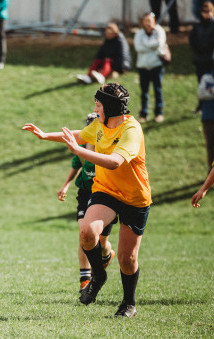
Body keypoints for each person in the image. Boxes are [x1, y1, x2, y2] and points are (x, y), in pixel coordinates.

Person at [22, 83, 152, 318]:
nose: (95, 109)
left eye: (98, 105)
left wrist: (79, 151)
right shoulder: (100, 125)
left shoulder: (131, 129)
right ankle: (98, 276)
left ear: (111, 107)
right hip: (106, 190)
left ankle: (128, 303)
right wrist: (45, 135)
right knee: (87, 232)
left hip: (134, 197)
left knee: (127, 258)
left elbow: (114, 162)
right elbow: (78, 135)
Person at [56, 113, 115, 295]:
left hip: (104, 196)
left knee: (102, 242)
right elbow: (76, 166)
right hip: (85, 193)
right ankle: (85, 279)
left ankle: (107, 254)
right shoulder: (80, 148)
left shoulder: (107, 150)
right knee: (84, 234)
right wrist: (65, 186)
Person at [134, 12, 166, 123]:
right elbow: (138, 48)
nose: (148, 23)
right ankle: (144, 114)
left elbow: (160, 44)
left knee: (157, 90)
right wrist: (152, 45)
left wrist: (145, 44)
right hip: (143, 66)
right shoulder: (139, 33)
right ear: (143, 22)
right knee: (144, 91)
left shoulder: (159, 31)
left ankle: (159, 113)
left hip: (156, 65)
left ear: (154, 21)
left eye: (150, 21)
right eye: (146, 21)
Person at [189, 2, 214, 100]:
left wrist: (206, 48)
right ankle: (201, 104)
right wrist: (199, 49)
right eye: (204, 11)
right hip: (199, 59)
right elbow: (192, 39)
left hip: (211, 60)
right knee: (201, 83)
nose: (207, 13)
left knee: (210, 84)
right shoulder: (197, 25)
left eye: (209, 11)